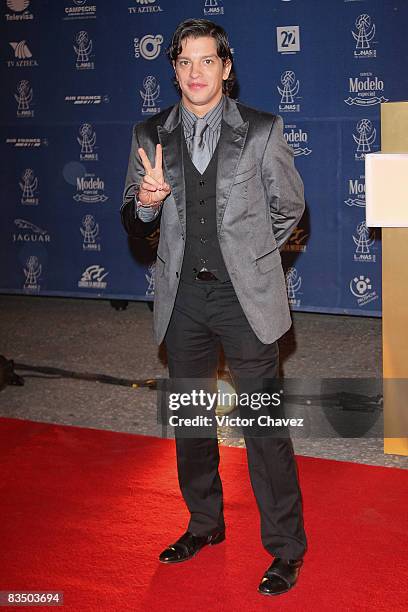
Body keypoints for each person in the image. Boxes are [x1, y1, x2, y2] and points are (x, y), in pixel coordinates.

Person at [121, 18, 307, 596]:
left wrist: (252, 261)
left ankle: (285, 549)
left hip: (243, 299)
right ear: (173, 69)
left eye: (207, 61)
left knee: (261, 425)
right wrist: (147, 205)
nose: (195, 72)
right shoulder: (150, 133)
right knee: (192, 421)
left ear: (226, 68)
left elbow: (290, 209)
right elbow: (133, 218)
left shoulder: (260, 130)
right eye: (185, 62)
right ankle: (205, 524)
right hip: (183, 301)